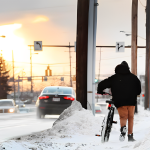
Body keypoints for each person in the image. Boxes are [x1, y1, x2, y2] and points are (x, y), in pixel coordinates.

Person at [97, 61, 141, 142]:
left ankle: (123, 128)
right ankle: (130, 136)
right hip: (131, 101)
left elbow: (101, 84)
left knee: (123, 116)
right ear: (128, 68)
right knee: (130, 118)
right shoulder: (134, 78)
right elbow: (139, 91)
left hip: (120, 101)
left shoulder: (115, 77)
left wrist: (100, 91)